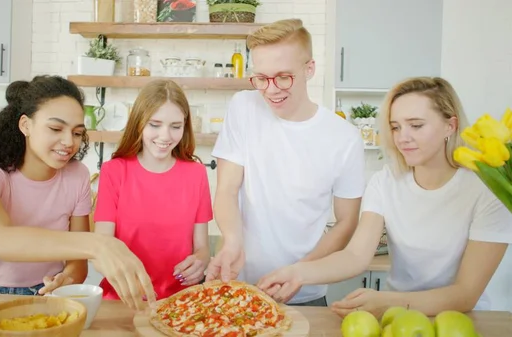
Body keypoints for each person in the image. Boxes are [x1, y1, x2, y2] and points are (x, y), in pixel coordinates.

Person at [257, 76, 512, 318]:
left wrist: (387, 301)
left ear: (450, 125)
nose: (403, 137)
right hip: (397, 316)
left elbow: (465, 294)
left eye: (416, 125)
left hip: (462, 320)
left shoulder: (486, 190)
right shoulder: (386, 181)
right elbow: (356, 256)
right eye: (395, 127)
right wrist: (297, 272)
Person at [0, 75, 155, 310]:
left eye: (77, 133)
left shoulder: (77, 175)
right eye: (56, 128)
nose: (68, 141)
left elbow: (78, 264)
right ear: (25, 125)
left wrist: (68, 279)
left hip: (55, 296)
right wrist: (98, 244)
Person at [205, 18, 366, 306]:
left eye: (283, 77)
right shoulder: (243, 107)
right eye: (262, 78)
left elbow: (346, 222)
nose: (270, 90)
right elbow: (227, 189)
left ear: (309, 69)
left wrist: (299, 272)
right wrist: (231, 241)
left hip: (306, 293)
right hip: (241, 285)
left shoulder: (344, 138)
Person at [93, 79, 213, 301]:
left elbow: (202, 248)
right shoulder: (114, 171)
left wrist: (201, 262)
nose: (165, 136)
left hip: (180, 301)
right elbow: (102, 247)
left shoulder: (196, 174)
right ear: (139, 123)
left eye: (175, 126)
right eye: (155, 124)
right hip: (124, 299)